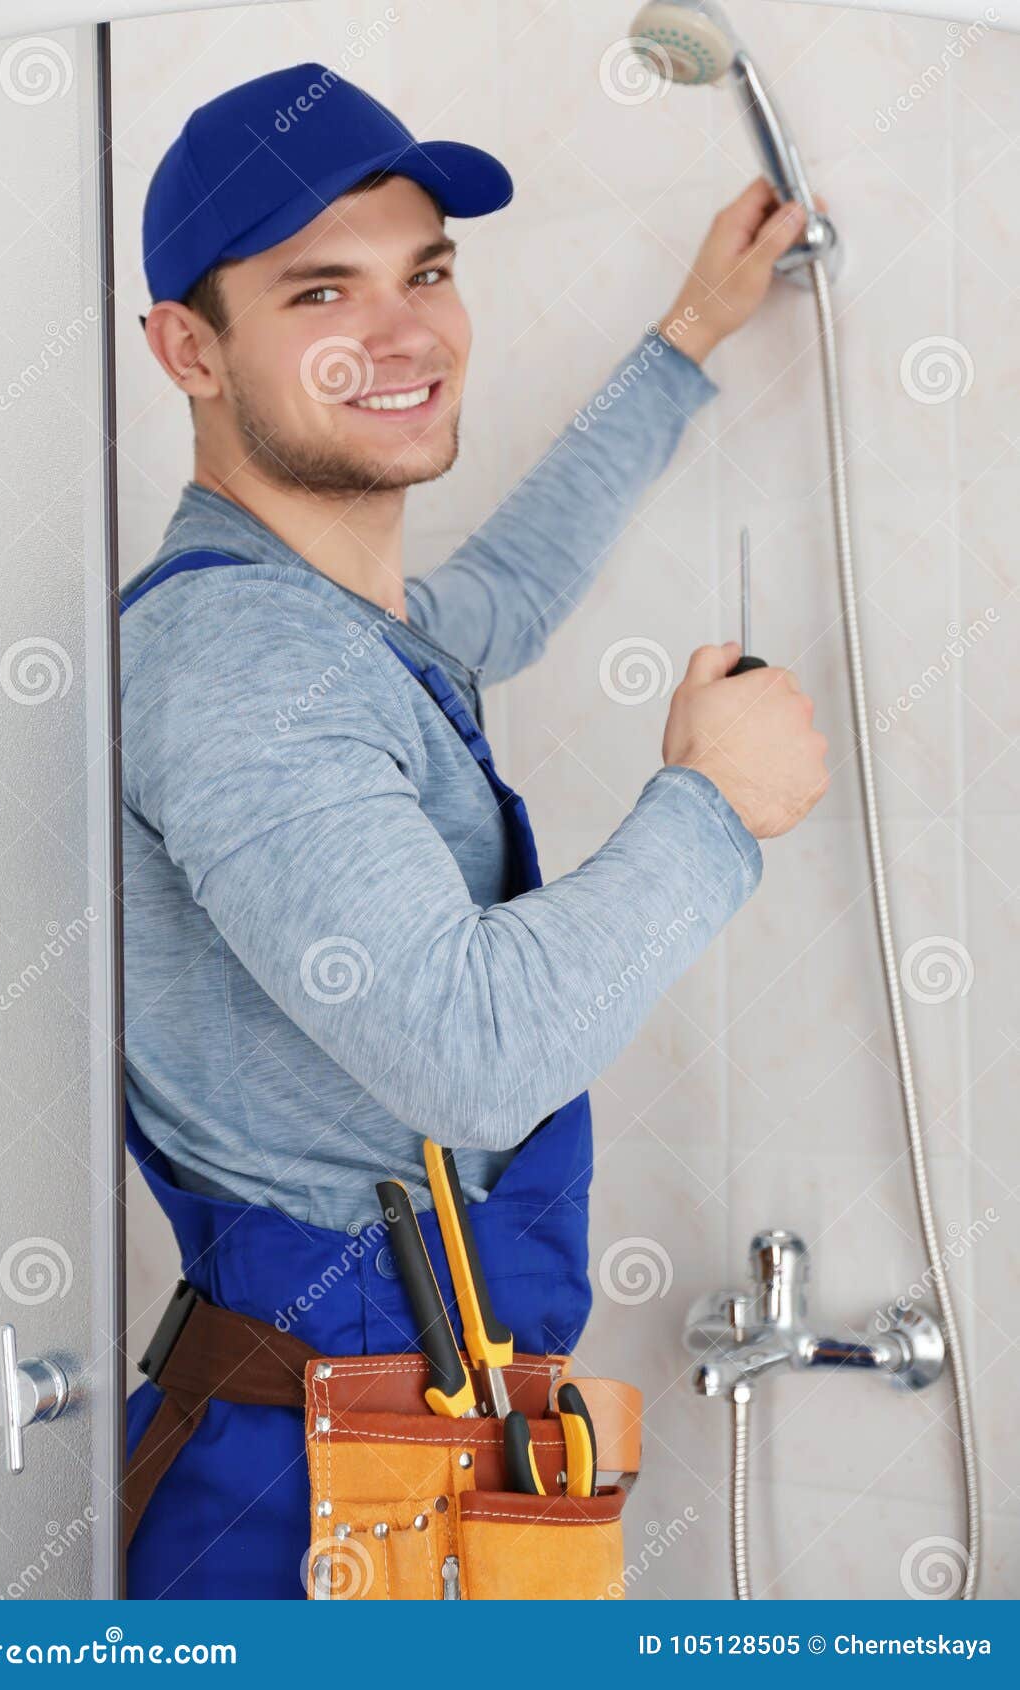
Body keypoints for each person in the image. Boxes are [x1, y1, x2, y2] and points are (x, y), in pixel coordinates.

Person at [120, 60, 829, 1599]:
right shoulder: (246, 662)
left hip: (414, 1453)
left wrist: (690, 335)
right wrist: (715, 808)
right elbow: (470, 1052)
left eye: (426, 273)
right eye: (322, 293)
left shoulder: (332, 621)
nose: (404, 334)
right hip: (308, 1504)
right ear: (189, 348)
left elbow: (503, 591)